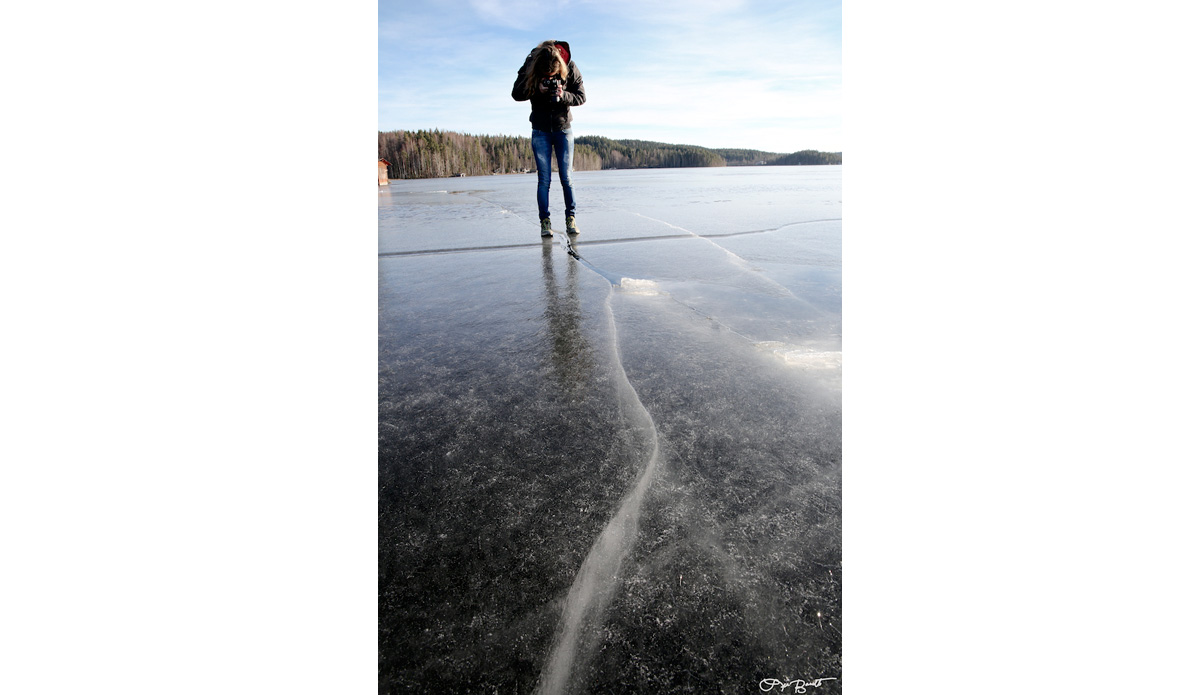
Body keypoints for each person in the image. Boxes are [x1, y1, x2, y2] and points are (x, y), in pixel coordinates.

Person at [512, 40, 586, 238]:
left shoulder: (570, 65)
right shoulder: (530, 65)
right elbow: (516, 94)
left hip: (563, 129)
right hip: (540, 130)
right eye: (546, 77)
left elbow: (581, 96)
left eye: (553, 77)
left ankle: (571, 218)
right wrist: (535, 88)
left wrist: (563, 95)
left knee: (567, 178)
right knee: (544, 180)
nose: (550, 79)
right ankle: (545, 222)